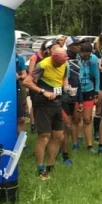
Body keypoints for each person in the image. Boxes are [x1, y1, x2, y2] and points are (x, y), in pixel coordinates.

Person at [29, 46, 69, 179]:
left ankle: (49, 167)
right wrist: (43, 91)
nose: (62, 64)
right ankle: (40, 168)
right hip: (43, 104)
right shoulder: (43, 65)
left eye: (64, 61)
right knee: (44, 136)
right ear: (54, 58)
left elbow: (64, 78)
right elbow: (27, 82)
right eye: (60, 62)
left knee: (58, 136)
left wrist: (66, 87)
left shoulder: (65, 64)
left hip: (58, 103)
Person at [72, 40, 101, 152]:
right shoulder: (75, 57)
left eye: (88, 54)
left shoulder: (93, 59)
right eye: (84, 54)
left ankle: (89, 146)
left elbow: (96, 75)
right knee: (76, 119)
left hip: (89, 89)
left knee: (87, 119)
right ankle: (75, 144)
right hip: (76, 90)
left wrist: (96, 92)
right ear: (80, 52)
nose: (86, 56)